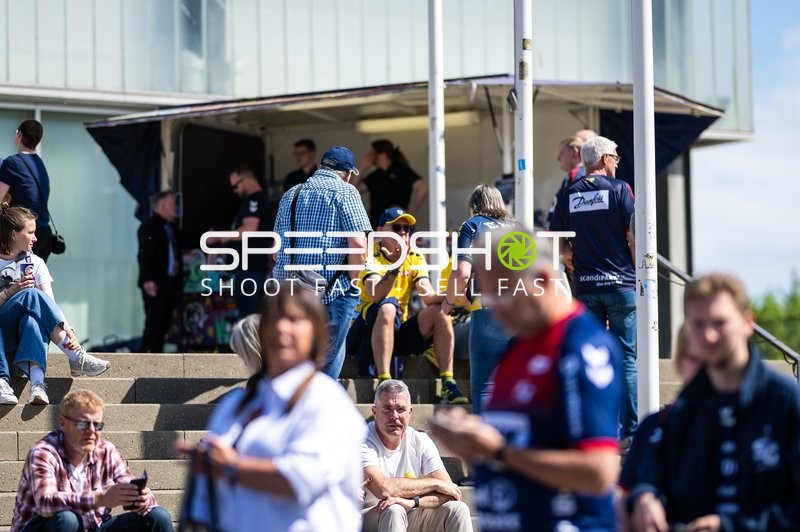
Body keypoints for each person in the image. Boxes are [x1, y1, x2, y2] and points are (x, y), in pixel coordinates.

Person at [429, 227, 623, 532]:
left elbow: (597, 471)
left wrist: (500, 452)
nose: (495, 309)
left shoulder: (581, 347)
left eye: (503, 293)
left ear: (543, 280)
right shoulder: (519, 348)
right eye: (487, 296)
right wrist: (472, 444)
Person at [178, 282, 367, 531]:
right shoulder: (235, 405)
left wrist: (232, 466)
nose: (281, 328)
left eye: (293, 319)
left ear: (315, 333)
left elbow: (301, 479)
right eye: (273, 319)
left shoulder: (327, 401)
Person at [628, 274, 800, 532]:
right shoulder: (684, 410)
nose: (709, 335)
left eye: (720, 323)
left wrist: (729, 527)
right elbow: (651, 480)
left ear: (747, 323)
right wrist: (646, 498)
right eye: (698, 324)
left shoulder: (785, 402)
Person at [549, 134, 638, 446]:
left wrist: (571, 262)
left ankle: (596, 430)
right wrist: (639, 272)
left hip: (585, 287)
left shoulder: (569, 193)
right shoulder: (620, 189)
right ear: (603, 159)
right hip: (621, 285)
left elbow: (556, 241)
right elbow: (633, 236)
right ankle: (630, 431)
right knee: (625, 357)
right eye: (615, 157)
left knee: (590, 358)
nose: (617, 162)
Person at [347, 206, 468, 404]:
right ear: (380, 231)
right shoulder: (370, 255)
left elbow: (428, 296)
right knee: (388, 307)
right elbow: (376, 295)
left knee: (440, 312)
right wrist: (395, 266)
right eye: (397, 228)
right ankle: (384, 382)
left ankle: (448, 382)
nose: (403, 233)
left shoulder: (414, 255)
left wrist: (456, 296)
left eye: (407, 228)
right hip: (367, 330)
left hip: (397, 328)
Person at [11, 389, 174, 532]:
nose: (91, 431)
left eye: (97, 425)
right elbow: (45, 503)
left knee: (159, 517)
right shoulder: (44, 452)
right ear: (63, 423)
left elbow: (131, 489)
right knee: (68, 519)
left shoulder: (106, 450)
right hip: (44, 526)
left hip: (94, 526)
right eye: (83, 423)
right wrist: (99, 499)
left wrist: (141, 499)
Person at [272, 145, 371, 379]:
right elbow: (358, 245)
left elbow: (276, 250)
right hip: (331, 290)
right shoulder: (346, 192)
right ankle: (319, 400)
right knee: (327, 362)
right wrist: (354, 282)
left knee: (297, 356)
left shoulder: (291, 193)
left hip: (289, 290)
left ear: (319, 166)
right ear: (348, 174)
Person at [0, 205, 109, 406]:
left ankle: (37, 385)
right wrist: (11, 292)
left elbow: (48, 302)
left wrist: (69, 330)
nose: (35, 238)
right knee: (32, 294)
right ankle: (75, 357)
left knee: (32, 319)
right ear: (13, 234)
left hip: (21, 335)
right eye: (30, 232)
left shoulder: (35, 262)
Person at [617, 324, 701, 528]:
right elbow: (623, 496)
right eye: (696, 358)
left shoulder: (749, 424)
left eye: (717, 362)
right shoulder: (652, 427)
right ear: (679, 362)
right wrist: (641, 498)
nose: (706, 369)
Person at [442, 184, 517, 412]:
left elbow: (462, 273)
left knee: (486, 387)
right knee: (516, 386)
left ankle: (486, 434)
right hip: (520, 312)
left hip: (488, 309)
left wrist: (449, 302)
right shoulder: (517, 227)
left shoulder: (473, 225)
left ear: (474, 206)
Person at [361, 379, 473, 532]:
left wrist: (413, 502)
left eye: (400, 409)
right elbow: (384, 489)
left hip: (409, 512)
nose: (394, 416)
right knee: (394, 510)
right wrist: (435, 484)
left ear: (410, 412)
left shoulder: (420, 440)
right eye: (387, 408)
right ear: (375, 411)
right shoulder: (363, 440)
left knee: (457, 509)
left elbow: (451, 492)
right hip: (367, 516)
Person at [206, 165, 271, 317]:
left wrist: (221, 236)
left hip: (251, 268)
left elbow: (249, 230)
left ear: (246, 179)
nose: (235, 190)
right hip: (249, 268)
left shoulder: (255, 199)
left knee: (249, 316)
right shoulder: (257, 200)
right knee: (248, 314)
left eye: (236, 185)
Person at [0, 120, 56, 261]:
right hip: (43, 232)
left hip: (22, 233)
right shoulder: (39, 163)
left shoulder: (12, 163)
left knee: (12, 274)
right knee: (36, 274)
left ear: (19, 135)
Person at [137, 191, 181, 353]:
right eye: (173, 204)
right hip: (155, 284)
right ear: (162, 206)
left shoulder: (170, 228)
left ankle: (156, 357)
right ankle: (146, 358)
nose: (176, 208)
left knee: (164, 324)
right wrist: (147, 279)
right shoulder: (149, 227)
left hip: (168, 283)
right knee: (154, 323)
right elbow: (144, 255)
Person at [353, 140, 427, 228]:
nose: (368, 156)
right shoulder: (376, 175)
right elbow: (354, 189)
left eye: (371, 153)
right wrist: (363, 167)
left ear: (382, 154)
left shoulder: (401, 170)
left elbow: (422, 188)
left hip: (397, 225)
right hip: (377, 224)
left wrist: (410, 212)